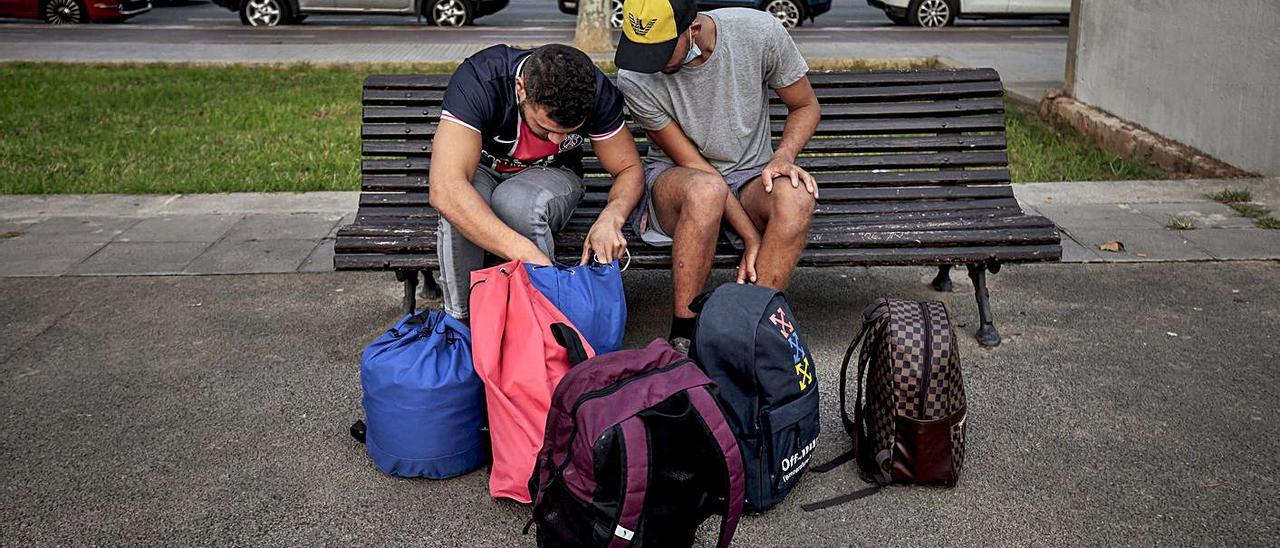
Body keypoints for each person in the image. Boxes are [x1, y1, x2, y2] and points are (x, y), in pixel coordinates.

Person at [615, 0, 821, 349]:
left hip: (750, 176)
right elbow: (696, 166)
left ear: (692, 30)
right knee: (706, 190)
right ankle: (683, 333)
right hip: (679, 179)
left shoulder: (758, 31)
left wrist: (784, 156)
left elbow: (805, 105)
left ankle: (752, 332)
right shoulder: (635, 77)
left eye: (660, 51)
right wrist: (750, 237)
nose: (649, 63)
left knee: (797, 198)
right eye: (640, 50)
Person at [430, 44, 644, 321]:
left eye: (567, 133)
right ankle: (462, 323)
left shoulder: (593, 89)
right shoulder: (482, 78)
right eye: (546, 128)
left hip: (554, 173)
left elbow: (628, 168)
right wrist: (529, 255)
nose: (556, 141)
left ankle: (544, 326)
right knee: (460, 210)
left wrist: (611, 217)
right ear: (521, 88)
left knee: (516, 204)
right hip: (482, 167)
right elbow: (445, 189)